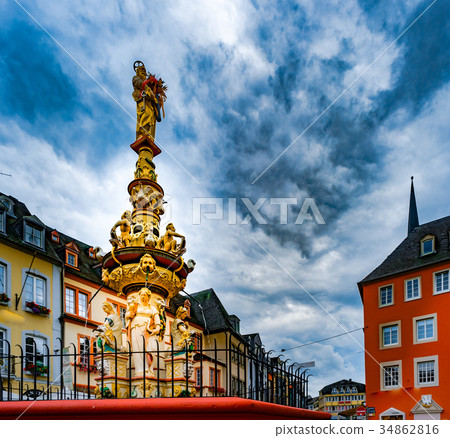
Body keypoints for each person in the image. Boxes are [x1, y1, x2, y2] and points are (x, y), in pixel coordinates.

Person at [127, 287, 161, 375]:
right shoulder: (135, 306)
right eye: (141, 295)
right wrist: (129, 314)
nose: (143, 297)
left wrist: (157, 328)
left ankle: (149, 369)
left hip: (148, 329)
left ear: (148, 297)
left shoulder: (152, 308)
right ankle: (140, 370)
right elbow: (127, 315)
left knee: (148, 349)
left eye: (145, 295)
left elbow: (157, 318)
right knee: (137, 348)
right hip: (136, 327)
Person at [132, 61, 165, 140]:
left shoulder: (148, 83)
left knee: (152, 118)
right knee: (146, 114)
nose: (144, 71)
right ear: (138, 70)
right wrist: (147, 87)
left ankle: (150, 136)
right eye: (142, 69)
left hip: (150, 102)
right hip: (143, 100)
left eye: (144, 70)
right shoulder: (136, 78)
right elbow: (138, 83)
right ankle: (142, 133)